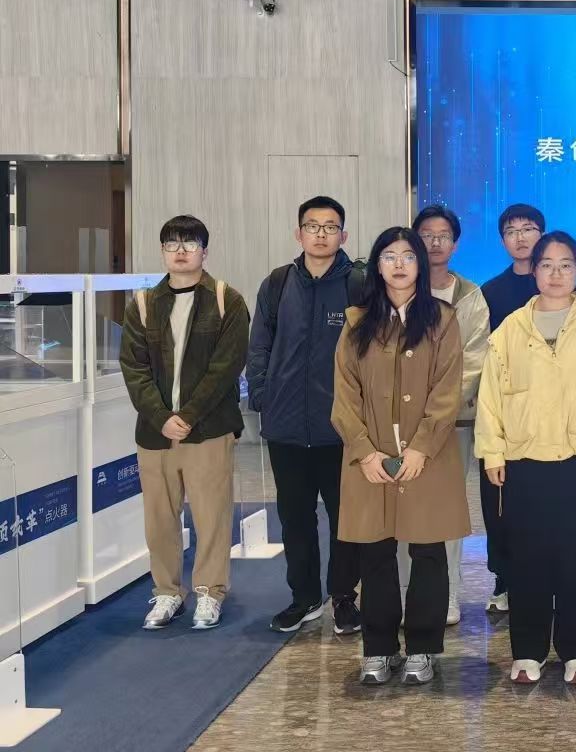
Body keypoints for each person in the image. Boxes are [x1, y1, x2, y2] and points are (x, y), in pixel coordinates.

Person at [476, 232, 576, 684]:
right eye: (547, 264)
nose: (556, 273)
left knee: (574, 556)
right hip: (522, 459)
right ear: (535, 270)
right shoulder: (511, 329)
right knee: (525, 558)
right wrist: (492, 452)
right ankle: (528, 651)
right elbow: (490, 397)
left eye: (565, 265)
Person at [330, 227, 468, 686]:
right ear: (377, 265)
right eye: (389, 256)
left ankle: (423, 648)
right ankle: (379, 648)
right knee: (374, 551)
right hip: (370, 458)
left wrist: (423, 446)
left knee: (428, 551)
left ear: (420, 265)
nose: (399, 264)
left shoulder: (442, 319)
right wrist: (364, 452)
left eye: (408, 256)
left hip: (428, 456)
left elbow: (447, 391)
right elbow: (344, 396)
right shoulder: (357, 322)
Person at [120, 215, 249, 632]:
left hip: (207, 429)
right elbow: (134, 369)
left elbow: (226, 367)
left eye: (190, 243)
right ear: (162, 252)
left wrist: (188, 416)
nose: (180, 251)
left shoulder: (227, 300)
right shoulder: (143, 304)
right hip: (155, 433)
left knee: (211, 515)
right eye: (172, 244)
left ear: (204, 252)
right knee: (159, 519)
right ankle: (167, 591)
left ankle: (210, 591)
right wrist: (162, 418)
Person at [246, 195, 363, 635]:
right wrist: (263, 394)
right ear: (299, 234)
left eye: (330, 227)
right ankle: (305, 598)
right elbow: (259, 344)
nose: (321, 234)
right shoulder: (278, 283)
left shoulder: (358, 284)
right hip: (287, 426)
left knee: (345, 518)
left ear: (343, 236)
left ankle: (344, 598)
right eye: (312, 226)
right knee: (295, 518)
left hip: (341, 429)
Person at [413, 204, 490, 626]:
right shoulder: (399, 287)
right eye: (427, 234)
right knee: (402, 506)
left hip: (454, 422)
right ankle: (406, 592)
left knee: (447, 507)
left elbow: (475, 359)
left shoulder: (470, 296)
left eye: (443, 235)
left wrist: (439, 410)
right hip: (400, 423)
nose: (435, 242)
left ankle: (447, 594)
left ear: (456, 244)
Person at [476, 203, 545, 611]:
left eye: (528, 228)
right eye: (512, 231)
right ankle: (503, 579)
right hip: (503, 411)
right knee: (499, 499)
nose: (520, 237)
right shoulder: (490, 293)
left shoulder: (562, 288)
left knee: (542, 499)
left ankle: (544, 577)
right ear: (503, 240)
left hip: (550, 414)